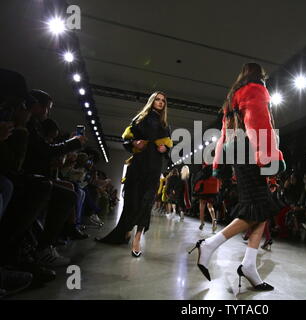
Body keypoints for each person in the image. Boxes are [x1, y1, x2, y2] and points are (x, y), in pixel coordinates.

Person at [189, 63, 285, 291]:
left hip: (238, 154)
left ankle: (249, 265)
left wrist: (218, 163)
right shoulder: (256, 89)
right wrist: (270, 156)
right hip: (252, 153)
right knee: (258, 207)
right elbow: (259, 122)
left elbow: (225, 133)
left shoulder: (233, 96)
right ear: (260, 75)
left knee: (261, 209)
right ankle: (210, 244)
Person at [96, 92, 172, 258]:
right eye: (157, 100)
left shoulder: (165, 124)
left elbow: (168, 146)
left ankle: (137, 238)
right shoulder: (139, 119)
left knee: (146, 202)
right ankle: (125, 232)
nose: (160, 103)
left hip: (154, 167)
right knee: (132, 201)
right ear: (152, 101)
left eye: (163, 101)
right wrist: (133, 143)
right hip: (138, 165)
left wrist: (165, 149)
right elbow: (126, 139)